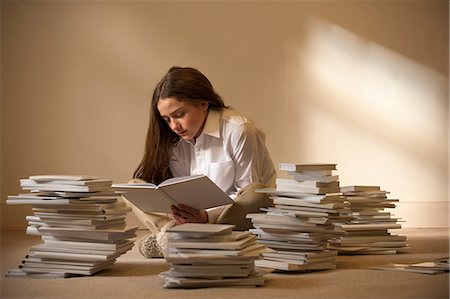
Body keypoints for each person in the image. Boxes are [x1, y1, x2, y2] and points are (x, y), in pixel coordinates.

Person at [128, 66, 276, 258]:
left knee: (256, 193)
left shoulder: (240, 130)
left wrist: (206, 216)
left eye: (179, 115)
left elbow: (246, 193)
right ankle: (175, 235)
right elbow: (182, 191)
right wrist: (184, 214)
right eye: (166, 119)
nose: (174, 126)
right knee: (134, 186)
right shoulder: (174, 141)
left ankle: (178, 240)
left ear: (203, 104)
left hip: (231, 216)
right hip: (193, 219)